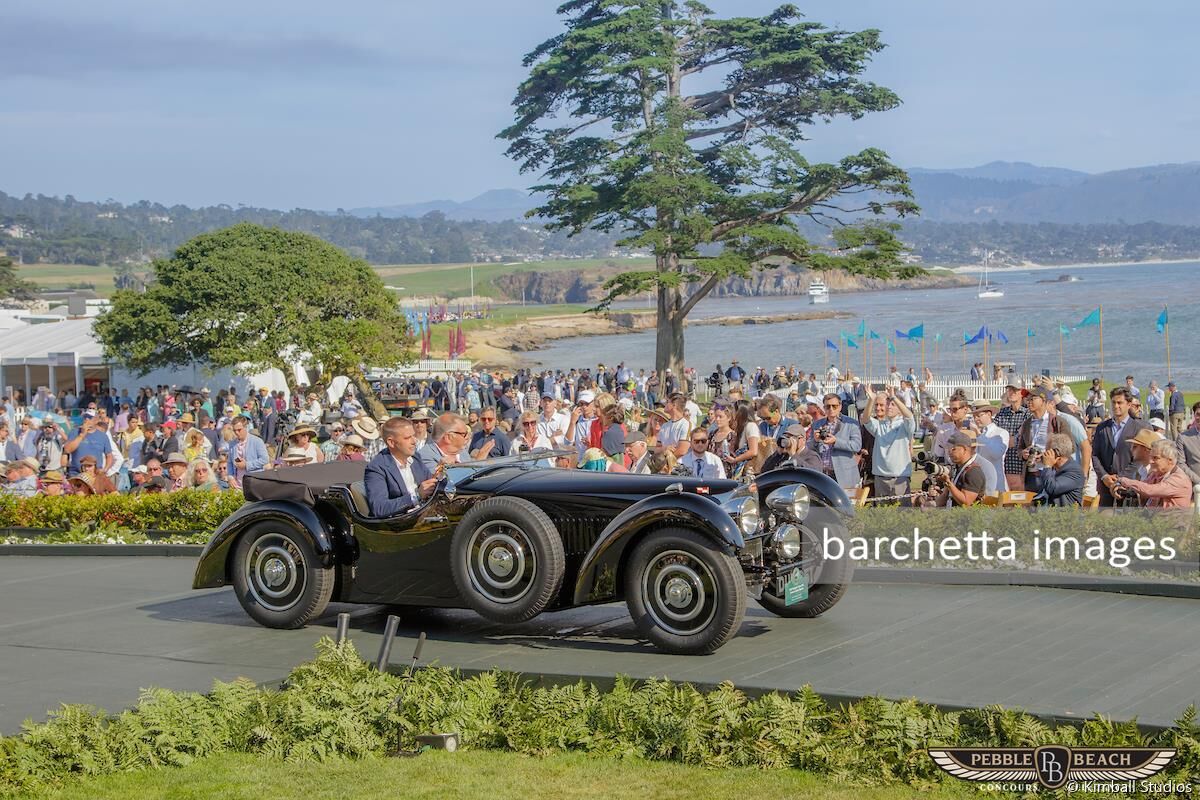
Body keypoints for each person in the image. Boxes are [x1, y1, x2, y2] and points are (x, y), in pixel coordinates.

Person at [1091, 387, 1149, 507]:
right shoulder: (1102, 428)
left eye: (1119, 403)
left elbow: (1140, 458)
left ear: (1128, 404)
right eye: (1113, 402)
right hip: (1106, 485)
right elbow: (1095, 455)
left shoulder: (1139, 427)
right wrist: (1104, 476)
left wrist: (1120, 479)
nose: (1116, 406)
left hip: (1129, 485)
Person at [859, 385, 916, 504]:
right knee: (882, 516)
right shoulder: (879, 425)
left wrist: (894, 397)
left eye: (893, 404)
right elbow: (865, 420)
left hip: (899, 478)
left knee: (902, 516)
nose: (889, 407)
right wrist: (871, 399)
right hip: (880, 478)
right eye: (888, 403)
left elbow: (909, 417)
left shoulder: (904, 426)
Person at [1115, 438, 1192, 509]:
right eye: (1151, 457)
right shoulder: (1156, 474)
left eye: (1155, 458)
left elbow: (1150, 490)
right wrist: (1119, 486)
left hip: (1172, 522)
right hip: (1155, 520)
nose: (1151, 461)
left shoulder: (1179, 479)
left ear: (1170, 460)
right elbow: (1142, 487)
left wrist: (1123, 480)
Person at [810, 394, 862, 490]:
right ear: (824, 408)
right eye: (827, 406)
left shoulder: (851, 423)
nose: (831, 409)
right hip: (823, 473)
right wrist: (815, 441)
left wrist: (836, 441)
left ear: (840, 406)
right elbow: (809, 447)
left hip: (844, 474)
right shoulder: (817, 424)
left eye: (834, 406)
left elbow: (857, 446)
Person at [927, 432, 985, 507]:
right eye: (948, 448)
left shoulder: (973, 472)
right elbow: (945, 496)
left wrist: (948, 483)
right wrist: (930, 506)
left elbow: (966, 503)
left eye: (953, 449)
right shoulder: (957, 468)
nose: (949, 452)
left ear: (965, 449)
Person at [994, 381, 1032, 491]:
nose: (1011, 393)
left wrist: (1008, 440)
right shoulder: (1002, 412)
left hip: (1019, 462)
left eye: (1015, 390)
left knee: (1018, 493)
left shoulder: (1028, 414)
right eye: (1009, 390)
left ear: (1022, 393)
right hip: (1003, 462)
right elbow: (995, 435)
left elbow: (1022, 439)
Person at [1033, 433, 1084, 506]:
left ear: (1056, 453)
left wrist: (1047, 466)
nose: (1045, 454)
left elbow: (1052, 488)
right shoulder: (1054, 468)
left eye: (1047, 451)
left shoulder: (1074, 471)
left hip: (1065, 515)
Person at [971, 400, 1009, 493]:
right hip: (978, 484)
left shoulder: (1001, 432)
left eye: (979, 415)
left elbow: (996, 454)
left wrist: (979, 435)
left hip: (996, 484)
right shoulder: (973, 434)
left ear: (988, 414)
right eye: (974, 416)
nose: (976, 419)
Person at [227, 417, 269, 487]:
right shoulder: (232, 443)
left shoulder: (257, 441)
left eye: (239, 430)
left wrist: (247, 465)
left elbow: (265, 459)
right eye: (234, 430)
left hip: (254, 482)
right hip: (237, 484)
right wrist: (230, 477)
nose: (236, 432)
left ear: (245, 427)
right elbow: (230, 462)